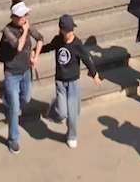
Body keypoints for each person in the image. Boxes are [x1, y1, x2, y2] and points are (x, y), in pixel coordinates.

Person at [43, 13, 101, 147]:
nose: (70, 33)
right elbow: (48, 47)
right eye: (67, 31)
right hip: (60, 81)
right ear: (61, 30)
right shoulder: (58, 40)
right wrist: (35, 51)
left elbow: (87, 59)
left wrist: (95, 74)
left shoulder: (77, 44)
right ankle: (53, 109)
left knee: (73, 112)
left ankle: (72, 135)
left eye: (71, 30)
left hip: (73, 82)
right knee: (62, 112)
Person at [0, 0, 44, 154]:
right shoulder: (7, 31)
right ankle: (13, 140)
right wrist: (25, 31)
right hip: (12, 74)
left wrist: (35, 56)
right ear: (14, 17)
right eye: (22, 15)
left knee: (27, 98)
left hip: (25, 71)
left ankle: (7, 99)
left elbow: (40, 39)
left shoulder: (27, 26)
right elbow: (18, 46)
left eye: (26, 14)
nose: (25, 18)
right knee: (14, 109)